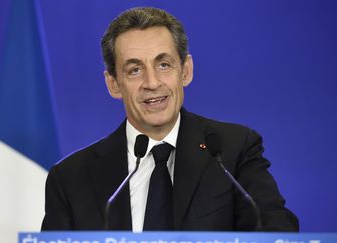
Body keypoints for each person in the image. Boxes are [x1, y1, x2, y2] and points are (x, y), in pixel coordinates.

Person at [41, 7, 298, 232]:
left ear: (185, 71)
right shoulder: (70, 178)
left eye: (163, 64)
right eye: (134, 70)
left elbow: (275, 229)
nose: (152, 83)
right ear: (113, 84)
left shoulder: (234, 150)